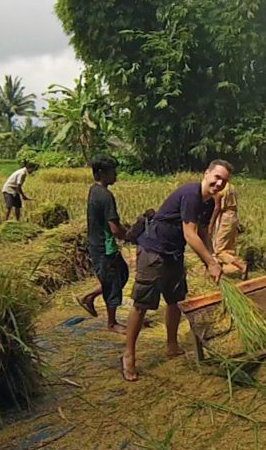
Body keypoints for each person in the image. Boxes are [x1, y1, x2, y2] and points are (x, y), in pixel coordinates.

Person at [121, 159, 233, 382]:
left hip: (173, 253)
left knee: (175, 300)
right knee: (142, 304)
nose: (219, 183)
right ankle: (128, 355)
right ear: (206, 174)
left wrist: (212, 258)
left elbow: (203, 233)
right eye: (217, 177)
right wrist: (210, 264)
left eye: (224, 181)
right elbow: (190, 234)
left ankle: (172, 345)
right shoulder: (191, 195)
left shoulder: (208, 203)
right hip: (153, 251)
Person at [77, 155, 131, 334]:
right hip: (104, 246)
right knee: (113, 282)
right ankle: (112, 323)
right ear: (101, 173)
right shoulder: (106, 196)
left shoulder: (94, 190)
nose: (116, 174)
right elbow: (114, 228)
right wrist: (131, 236)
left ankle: (90, 296)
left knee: (122, 275)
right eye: (112, 171)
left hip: (99, 243)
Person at [210, 182, 247, 278]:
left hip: (224, 218)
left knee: (218, 250)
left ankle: (241, 265)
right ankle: (220, 272)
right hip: (233, 216)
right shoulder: (231, 187)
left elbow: (217, 208)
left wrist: (211, 224)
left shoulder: (219, 189)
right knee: (228, 247)